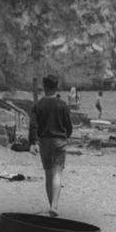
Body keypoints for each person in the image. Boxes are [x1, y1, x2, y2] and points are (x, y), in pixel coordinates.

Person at [28, 75, 73, 216]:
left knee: (48, 174)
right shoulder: (62, 105)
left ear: (44, 86)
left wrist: (32, 142)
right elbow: (69, 126)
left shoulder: (38, 105)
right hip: (59, 141)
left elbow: (33, 125)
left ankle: (50, 206)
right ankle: (54, 206)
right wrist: (66, 136)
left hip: (44, 142)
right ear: (56, 87)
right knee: (58, 173)